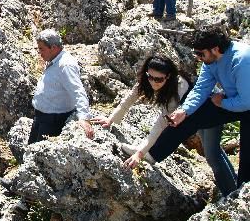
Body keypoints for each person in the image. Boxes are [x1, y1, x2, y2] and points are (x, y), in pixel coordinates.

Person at [91, 54, 237, 196]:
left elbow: (161, 124)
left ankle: (232, 195)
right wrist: (111, 119)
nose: (153, 82)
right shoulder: (146, 80)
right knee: (212, 150)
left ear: (168, 77)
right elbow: (128, 100)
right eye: (150, 77)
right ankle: (235, 187)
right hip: (192, 115)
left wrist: (140, 153)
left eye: (158, 79)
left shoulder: (178, 86)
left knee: (212, 155)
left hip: (208, 109)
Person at [147, 25, 250, 190]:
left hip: (244, 102)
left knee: (247, 161)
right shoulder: (210, 62)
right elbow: (201, 89)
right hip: (231, 99)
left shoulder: (241, 59)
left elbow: (246, 102)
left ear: (215, 49)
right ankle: (152, 155)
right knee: (189, 117)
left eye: (201, 53)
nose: (198, 58)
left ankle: (241, 200)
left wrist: (221, 102)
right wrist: (184, 110)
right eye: (196, 53)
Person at [28, 29, 94, 144]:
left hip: (52, 121)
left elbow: (78, 91)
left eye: (41, 49)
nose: (40, 53)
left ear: (53, 48)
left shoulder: (66, 65)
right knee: (31, 151)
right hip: (41, 118)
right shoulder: (54, 59)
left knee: (40, 156)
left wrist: (84, 118)